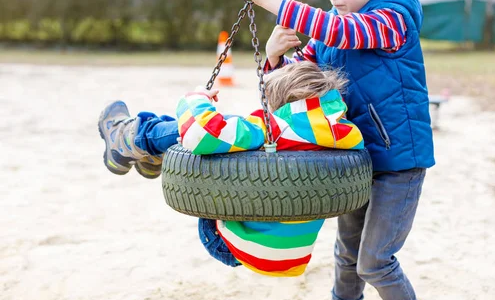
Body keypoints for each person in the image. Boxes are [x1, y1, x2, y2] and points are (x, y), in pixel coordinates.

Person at [239, 0, 434, 300]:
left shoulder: (395, 18)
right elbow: (292, 80)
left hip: (399, 164)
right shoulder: (333, 25)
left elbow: (346, 33)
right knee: (346, 256)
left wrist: (272, 0)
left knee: (374, 261)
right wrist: (273, 57)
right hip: (353, 159)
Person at [98, 61, 364, 277]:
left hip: (229, 246)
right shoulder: (346, 136)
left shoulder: (272, 128)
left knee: (223, 132)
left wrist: (197, 98)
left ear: (281, 103)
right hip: (292, 257)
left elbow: (199, 134)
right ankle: (149, 153)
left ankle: (132, 139)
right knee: (243, 142)